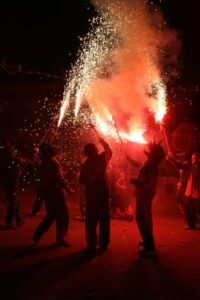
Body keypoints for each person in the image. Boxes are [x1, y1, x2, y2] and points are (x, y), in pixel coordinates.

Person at [32, 143, 72, 246]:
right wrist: (68, 189)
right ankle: (60, 239)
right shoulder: (52, 162)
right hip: (55, 192)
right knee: (63, 216)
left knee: (51, 216)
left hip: (48, 192)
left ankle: (37, 237)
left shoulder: (43, 162)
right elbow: (59, 179)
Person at [129, 142, 165, 255]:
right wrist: (129, 159)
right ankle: (147, 242)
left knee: (143, 219)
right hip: (143, 194)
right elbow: (140, 163)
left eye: (151, 149)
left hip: (145, 194)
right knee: (143, 218)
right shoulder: (150, 163)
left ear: (153, 153)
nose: (148, 150)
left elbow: (149, 183)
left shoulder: (152, 165)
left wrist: (136, 182)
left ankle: (149, 246)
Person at [79, 137, 112, 254]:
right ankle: (103, 244)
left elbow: (81, 180)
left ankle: (92, 245)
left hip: (92, 196)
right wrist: (102, 140)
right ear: (96, 150)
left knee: (91, 222)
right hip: (102, 195)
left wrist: (88, 178)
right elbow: (108, 149)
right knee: (104, 220)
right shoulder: (103, 158)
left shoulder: (85, 163)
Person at [168, 151, 200, 229]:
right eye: (192, 158)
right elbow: (180, 165)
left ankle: (192, 223)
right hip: (188, 192)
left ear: (198, 159)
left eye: (194, 158)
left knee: (195, 209)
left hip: (196, 192)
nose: (192, 160)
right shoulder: (189, 167)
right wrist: (171, 159)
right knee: (187, 208)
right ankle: (190, 224)